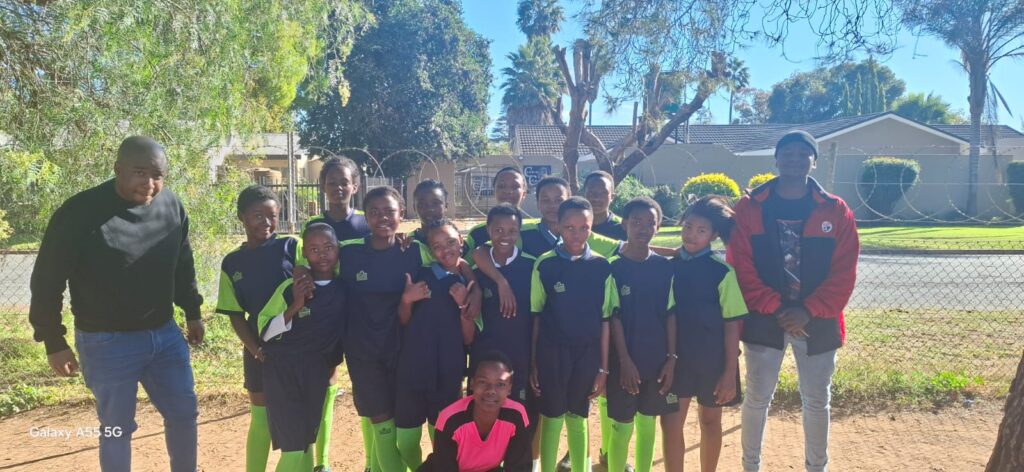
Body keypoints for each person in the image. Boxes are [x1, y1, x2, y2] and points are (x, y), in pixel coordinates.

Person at [29, 136, 203, 471]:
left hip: (165, 336)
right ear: (117, 169)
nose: (149, 184)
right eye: (140, 173)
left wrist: (192, 311)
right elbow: (47, 280)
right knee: (116, 429)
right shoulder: (79, 213)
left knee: (184, 412)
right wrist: (53, 341)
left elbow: (183, 264)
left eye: (158, 175)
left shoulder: (171, 206)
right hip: (106, 342)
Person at [727, 130, 859, 472]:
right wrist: (775, 306)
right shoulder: (750, 207)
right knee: (757, 398)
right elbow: (740, 265)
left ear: (814, 161)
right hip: (763, 317)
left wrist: (809, 309)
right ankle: (750, 466)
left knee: (817, 401)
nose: (795, 159)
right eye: (788, 153)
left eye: (804, 154)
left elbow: (844, 270)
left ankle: (817, 467)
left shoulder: (835, 210)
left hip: (818, 319)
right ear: (776, 159)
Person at [530, 197, 617, 472]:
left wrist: (603, 368)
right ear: (558, 226)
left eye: (584, 227)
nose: (576, 234)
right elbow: (536, 315)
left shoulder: (602, 266)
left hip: (586, 355)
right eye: (569, 227)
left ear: (591, 227)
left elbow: (605, 320)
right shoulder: (545, 264)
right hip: (552, 353)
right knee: (552, 417)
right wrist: (533, 362)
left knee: (578, 417)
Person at [215, 185, 299, 472]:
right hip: (259, 349)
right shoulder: (232, 263)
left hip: (296, 347)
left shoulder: (292, 247)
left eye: (272, 216)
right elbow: (236, 315)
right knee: (261, 418)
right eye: (257, 216)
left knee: (298, 417)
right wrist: (255, 350)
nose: (266, 222)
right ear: (242, 217)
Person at [257, 223, 347, 472]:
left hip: (315, 374)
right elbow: (265, 333)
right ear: (304, 253)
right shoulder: (290, 288)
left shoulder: (345, 287)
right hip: (283, 374)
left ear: (338, 249)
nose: (322, 255)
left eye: (328, 247)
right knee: (294, 448)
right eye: (314, 249)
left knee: (306, 443)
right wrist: (295, 305)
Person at [669, 195, 748, 472]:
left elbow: (731, 325)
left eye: (701, 230)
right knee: (672, 423)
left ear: (713, 235)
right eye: (688, 227)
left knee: (710, 421)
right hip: (675, 360)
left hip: (712, 362)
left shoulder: (722, 272)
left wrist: (729, 372)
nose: (692, 234)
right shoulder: (668, 267)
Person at [395, 219, 478, 470]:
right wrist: (407, 300)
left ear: (461, 242)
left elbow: (468, 338)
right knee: (406, 442)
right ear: (430, 251)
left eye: (450, 242)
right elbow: (403, 320)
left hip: (447, 373)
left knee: (441, 443)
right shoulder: (421, 275)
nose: (445, 250)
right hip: (412, 370)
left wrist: (463, 304)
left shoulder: (470, 284)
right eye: (437, 246)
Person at [605, 197, 678, 472]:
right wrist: (624, 361)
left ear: (658, 228)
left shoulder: (665, 268)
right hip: (623, 362)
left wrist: (671, 359)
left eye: (650, 223)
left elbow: (670, 314)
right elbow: (613, 316)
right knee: (622, 426)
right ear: (624, 224)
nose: (643, 228)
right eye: (636, 221)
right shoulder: (612, 267)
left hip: (656, 360)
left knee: (648, 424)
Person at [469, 204, 539, 468]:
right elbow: (469, 258)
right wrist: (496, 283)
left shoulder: (532, 266)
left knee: (520, 421)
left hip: (520, 358)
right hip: (483, 359)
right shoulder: (477, 270)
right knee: (483, 420)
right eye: (498, 230)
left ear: (519, 232)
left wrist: (534, 361)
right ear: (488, 230)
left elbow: (538, 318)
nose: (505, 236)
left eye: (512, 230)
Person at [420, 351, 533, 472]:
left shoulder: (516, 416)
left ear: (509, 388)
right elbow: (443, 467)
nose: (491, 390)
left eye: (500, 384)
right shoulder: (450, 419)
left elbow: (520, 467)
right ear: (472, 384)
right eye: (483, 382)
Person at [463, 167, 531, 254]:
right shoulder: (477, 233)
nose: (508, 191)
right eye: (502, 186)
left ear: (524, 194)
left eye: (514, 187)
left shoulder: (534, 232)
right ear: (493, 191)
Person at [307, 156, 371, 241]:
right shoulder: (312, 225)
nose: (338, 188)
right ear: (323, 187)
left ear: (354, 188)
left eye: (344, 183)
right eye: (332, 183)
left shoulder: (367, 221)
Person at [583, 171, 627, 241]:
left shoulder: (623, 228)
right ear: (584, 194)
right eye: (591, 192)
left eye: (603, 193)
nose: (596, 198)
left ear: (612, 197)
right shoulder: (574, 225)